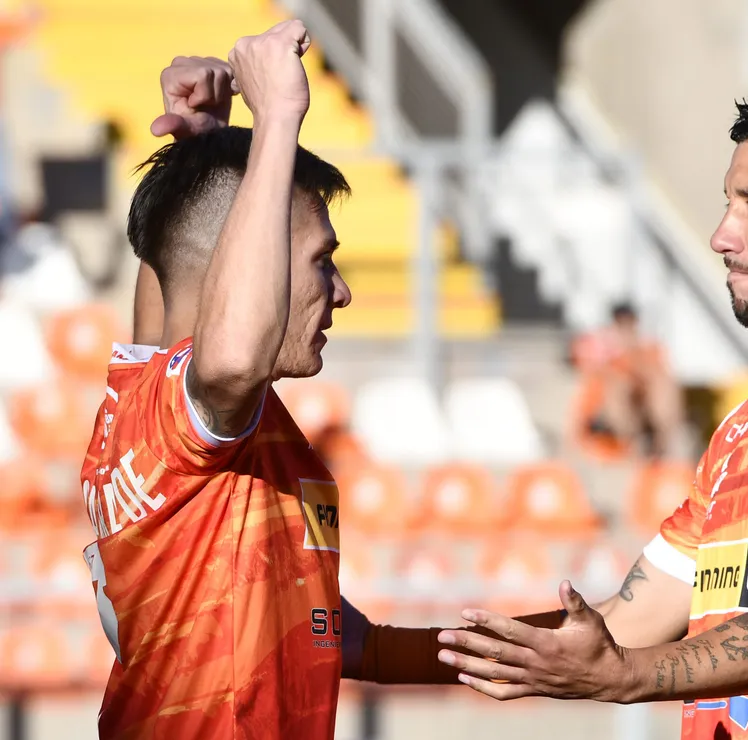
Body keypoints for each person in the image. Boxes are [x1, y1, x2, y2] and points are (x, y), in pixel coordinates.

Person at [369, 81, 748, 738]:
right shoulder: (746, 425)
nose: (722, 235)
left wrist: (629, 676)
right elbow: (624, 623)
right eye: (728, 204)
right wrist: (372, 652)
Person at [79, 24, 577, 738]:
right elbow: (226, 350)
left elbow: (352, 643)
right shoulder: (200, 408)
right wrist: (277, 116)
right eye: (321, 261)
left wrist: (209, 152)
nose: (341, 292)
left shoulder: (145, 395)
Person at [572, 301, 685, 459]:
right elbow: (595, 376)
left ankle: (660, 441)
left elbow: (654, 374)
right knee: (619, 387)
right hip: (604, 414)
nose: (625, 327)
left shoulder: (648, 348)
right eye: (620, 322)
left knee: (661, 385)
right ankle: (640, 441)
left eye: (628, 321)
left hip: (640, 409)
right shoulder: (599, 347)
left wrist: (632, 353)